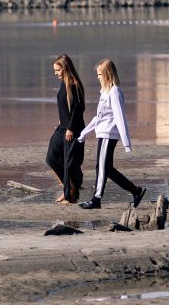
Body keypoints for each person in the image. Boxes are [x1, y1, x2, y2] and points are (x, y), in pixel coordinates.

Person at [77, 59, 145, 210]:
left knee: (101, 168)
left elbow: (120, 117)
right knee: (107, 169)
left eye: (100, 74)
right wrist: (83, 134)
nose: (98, 77)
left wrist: (126, 142)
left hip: (109, 134)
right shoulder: (104, 92)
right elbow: (98, 118)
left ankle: (96, 199)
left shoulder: (114, 92)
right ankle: (135, 191)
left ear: (108, 74)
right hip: (102, 133)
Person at [46, 54, 86, 205]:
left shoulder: (74, 84)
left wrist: (70, 127)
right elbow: (65, 106)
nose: (55, 73)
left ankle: (70, 194)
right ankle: (69, 188)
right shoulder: (64, 82)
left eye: (57, 70)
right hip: (62, 127)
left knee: (69, 163)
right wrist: (61, 121)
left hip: (72, 129)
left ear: (65, 68)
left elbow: (78, 108)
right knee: (51, 157)